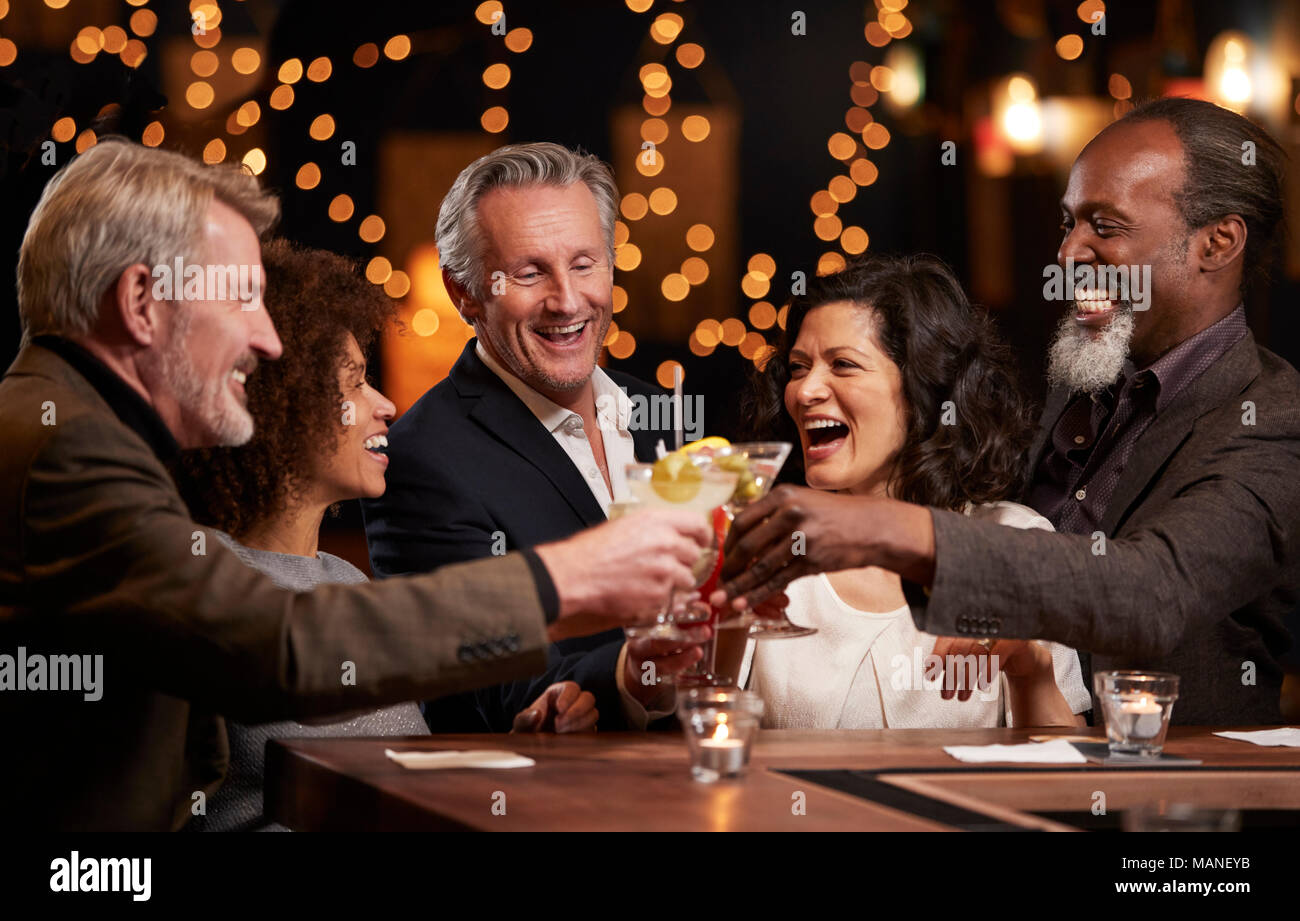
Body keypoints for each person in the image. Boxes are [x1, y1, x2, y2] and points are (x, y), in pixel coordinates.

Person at [0, 138, 710, 830]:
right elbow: (283, 645)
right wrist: (565, 580)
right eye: (242, 295)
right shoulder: (69, 447)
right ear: (142, 301)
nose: (268, 338)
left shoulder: (64, 424)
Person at [716, 98, 1299, 725]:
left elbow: (1154, 592)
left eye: (1104, 226)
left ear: (1217, 242)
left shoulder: (1272, 419)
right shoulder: (1077, 384)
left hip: (1166, 804)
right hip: (1017, 786)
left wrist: (883, 529)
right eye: (1068, 223)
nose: (1070, 253)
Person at [172, 240, 597, 831]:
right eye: (352, 385)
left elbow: (394, 783)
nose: (387, 405)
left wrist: (519, 743)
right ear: (274, 406)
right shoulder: (202, 582)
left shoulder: (342, 577)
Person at [643, 256, 1089, 728]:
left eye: (843, 365)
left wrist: (1030, 670)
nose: (806, 390)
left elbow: (1072, 780)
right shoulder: (759, 542)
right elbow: (700, 745)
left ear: (923, 389)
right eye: (797, 367)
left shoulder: (1015, 541)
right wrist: (729, 621)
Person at [362, 142, 704, 732]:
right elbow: (493, 689)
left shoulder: (662, 411)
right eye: (529, 272)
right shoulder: (423, 460)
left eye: (583, 264)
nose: (567, 301)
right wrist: (630, 673)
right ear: (464, 293)